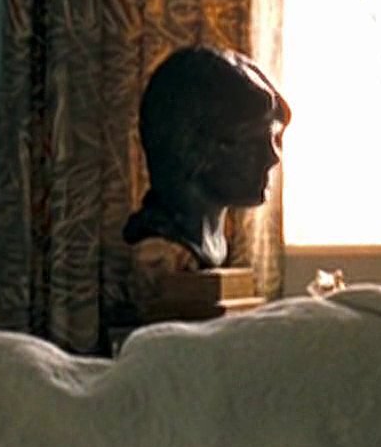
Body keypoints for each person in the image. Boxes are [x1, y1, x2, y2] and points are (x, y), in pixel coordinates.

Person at [118, 46, 289, 336]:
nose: (273, 157)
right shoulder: (158, 255)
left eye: (274, 138)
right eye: (254, 141)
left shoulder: (214, 246)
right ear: (195, 147)